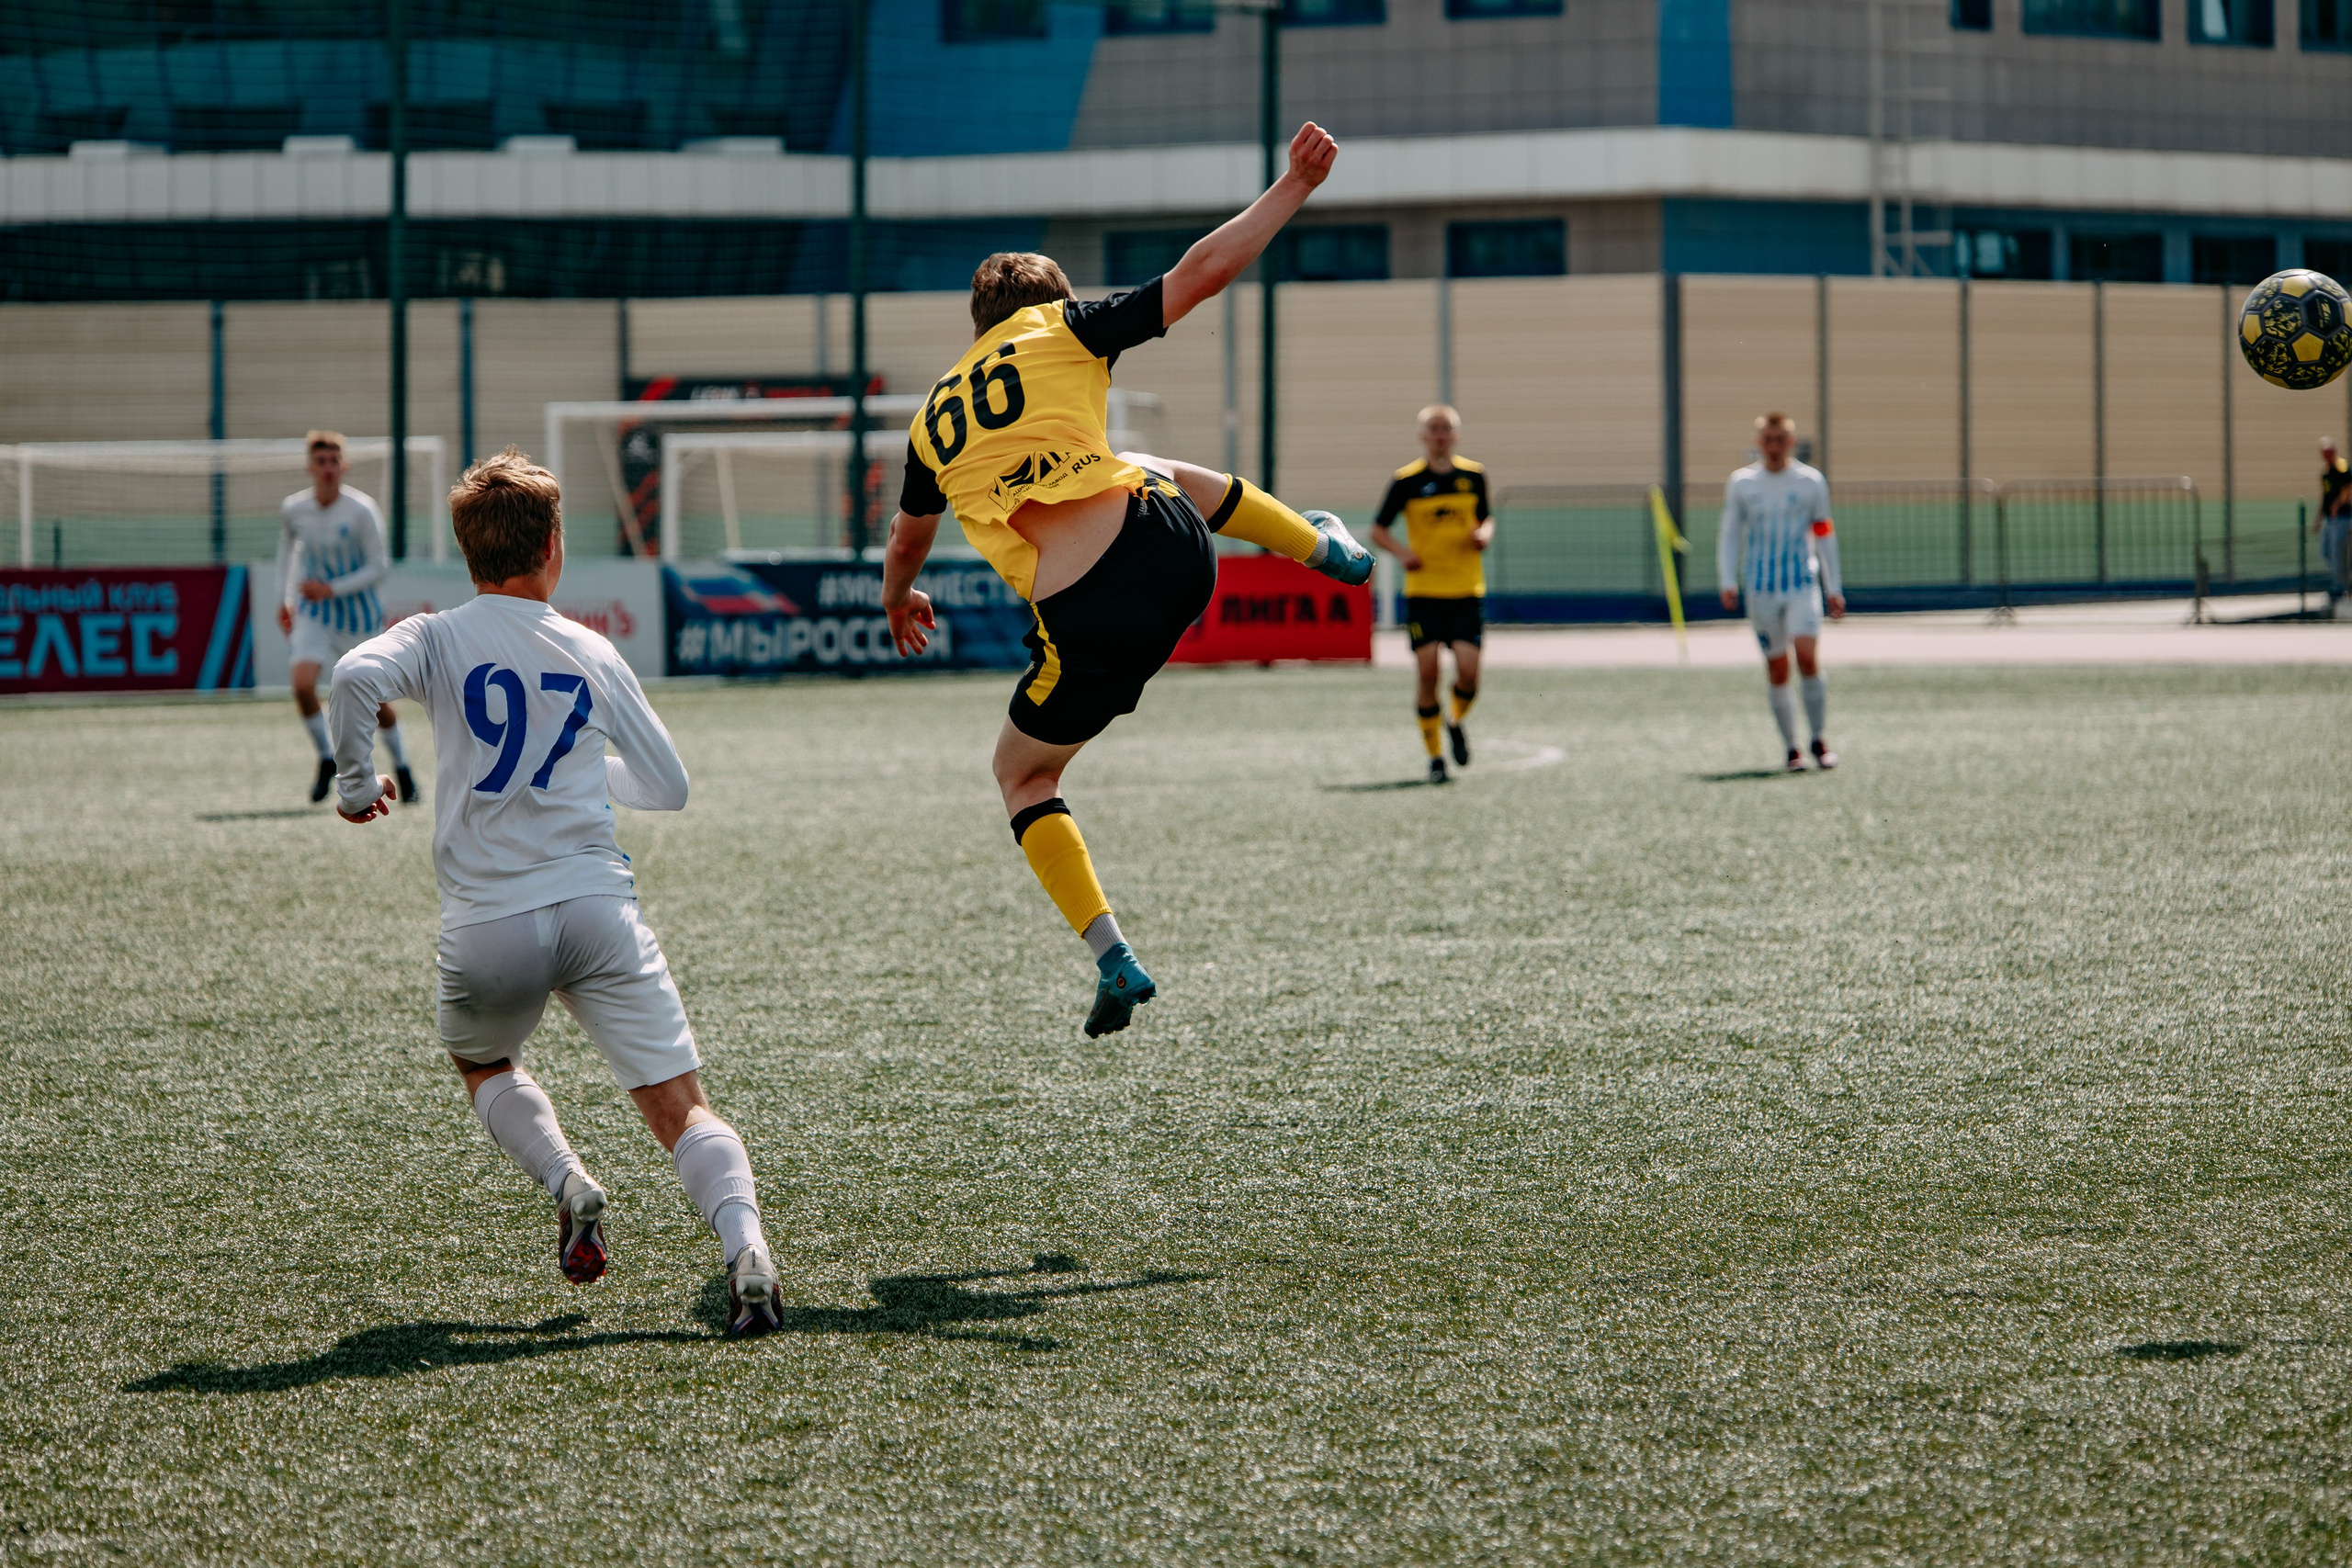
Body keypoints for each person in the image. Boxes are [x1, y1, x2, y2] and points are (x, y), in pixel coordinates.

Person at [880, 121, 1372, 1040]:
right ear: (1049, 300)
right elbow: (1197, 275)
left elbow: (908, 541)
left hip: (1085, 612)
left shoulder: (928, 422)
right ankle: (1325, 549)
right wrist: (1292, 188)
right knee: (1137, 459)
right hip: (1171, 546)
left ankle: (1114, 957)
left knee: (1020, 775)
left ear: (975, 325)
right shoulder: (1063, 330)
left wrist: (894, 599)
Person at [329, 448, 783, 1339]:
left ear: (469, 552)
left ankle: (570, 1183)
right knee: (679, 1107)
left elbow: (351, 679)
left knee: (483, 1062)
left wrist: (355, 787)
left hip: (488, 922)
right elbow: (669, 787)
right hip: (594, 910)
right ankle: (747, 1253)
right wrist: (584, 772)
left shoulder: (435, 636)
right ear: (552, 548)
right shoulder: (588, 648)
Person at [277, 431, 416, 806]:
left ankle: (403, 766)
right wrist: (284, 598)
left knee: (375, 700)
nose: (328, 468)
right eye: (321, 461)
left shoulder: (361, 509)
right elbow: (287, 553)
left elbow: (379, 567)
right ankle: (326, 757)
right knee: (303, 683)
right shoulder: (294, 509)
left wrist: (332, 588)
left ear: (344, 465)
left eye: (334, 461)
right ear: (310, 467)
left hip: (359, 618)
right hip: (314, 614)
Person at [1370, 405, 1492, 784]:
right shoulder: (1407, 480)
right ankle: (1435, 757)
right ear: (1423, 436)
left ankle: (1454, 721)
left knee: (1469, 674)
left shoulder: (1473, 476)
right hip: (1424, 592)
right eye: (1433, 429)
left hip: (1465, 590)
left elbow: (1485, 517)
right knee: (1428, 673)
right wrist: (1404, 554)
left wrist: (1484, 534)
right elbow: (1379, 529)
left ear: (1456, 435)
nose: (1440, 435)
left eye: (1446, 429)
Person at [1716, 412, 1843, 772]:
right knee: (1777, 667)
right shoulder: (1742, 483)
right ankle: (1792, 748)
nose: (1773, 447)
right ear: (1759, 444)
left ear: (1790, 443)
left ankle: (1818, 738)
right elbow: (1729, 533)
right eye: (1767, 440)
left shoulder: (1810, 481)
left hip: (1802, 584)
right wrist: (1728, 580)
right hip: (1761, 588)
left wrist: (1834, 586)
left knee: (1806, 656)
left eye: (1779, 440)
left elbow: (1823, 532)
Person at [2316, 436, 2350, 615]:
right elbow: (2324, 495)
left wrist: (2339, 503)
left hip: (2342, 518)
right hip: (2329, 520)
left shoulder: (2342, 467)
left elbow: (2349, 487)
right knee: (2326, 552)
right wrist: (2318, 519)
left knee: (2338, 554)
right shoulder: (2325, 472)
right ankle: (2340, 582)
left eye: (2328, 452)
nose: (2326, 456)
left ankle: (2340, 586)